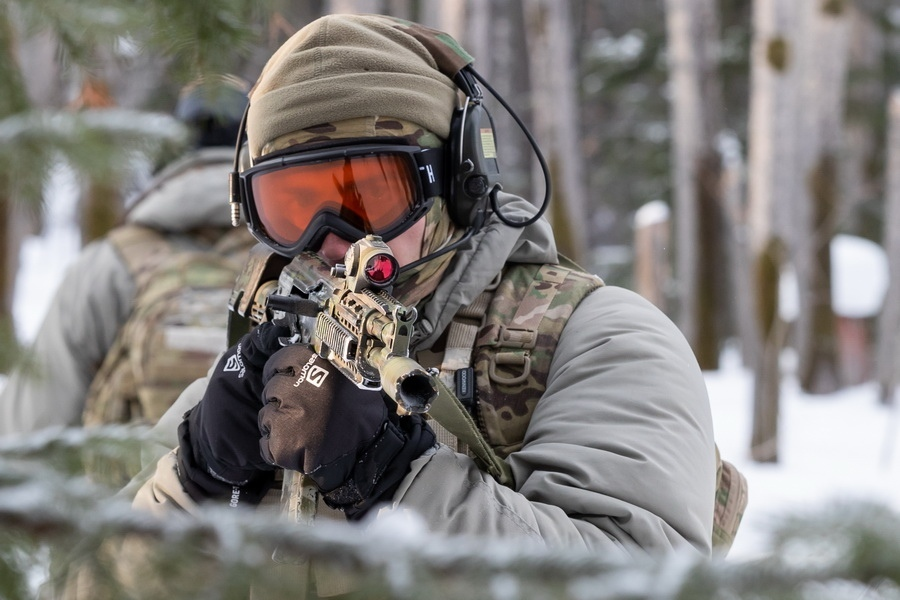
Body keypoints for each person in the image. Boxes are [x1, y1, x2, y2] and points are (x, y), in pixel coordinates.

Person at [132, 13, 718, 582]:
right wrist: (195, 481)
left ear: (458, 180)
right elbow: (83, 576)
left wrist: (400, 481)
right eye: (293, 209)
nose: (332, 243)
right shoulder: (256, 371)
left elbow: (645, 580)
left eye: (367, 197)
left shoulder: (600, 343)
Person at [0, 78, 257, 436]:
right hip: (266, 490)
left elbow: (30, 427)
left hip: (129, 489)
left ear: (165, 160)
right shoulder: (291, 262)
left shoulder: (108, 265)